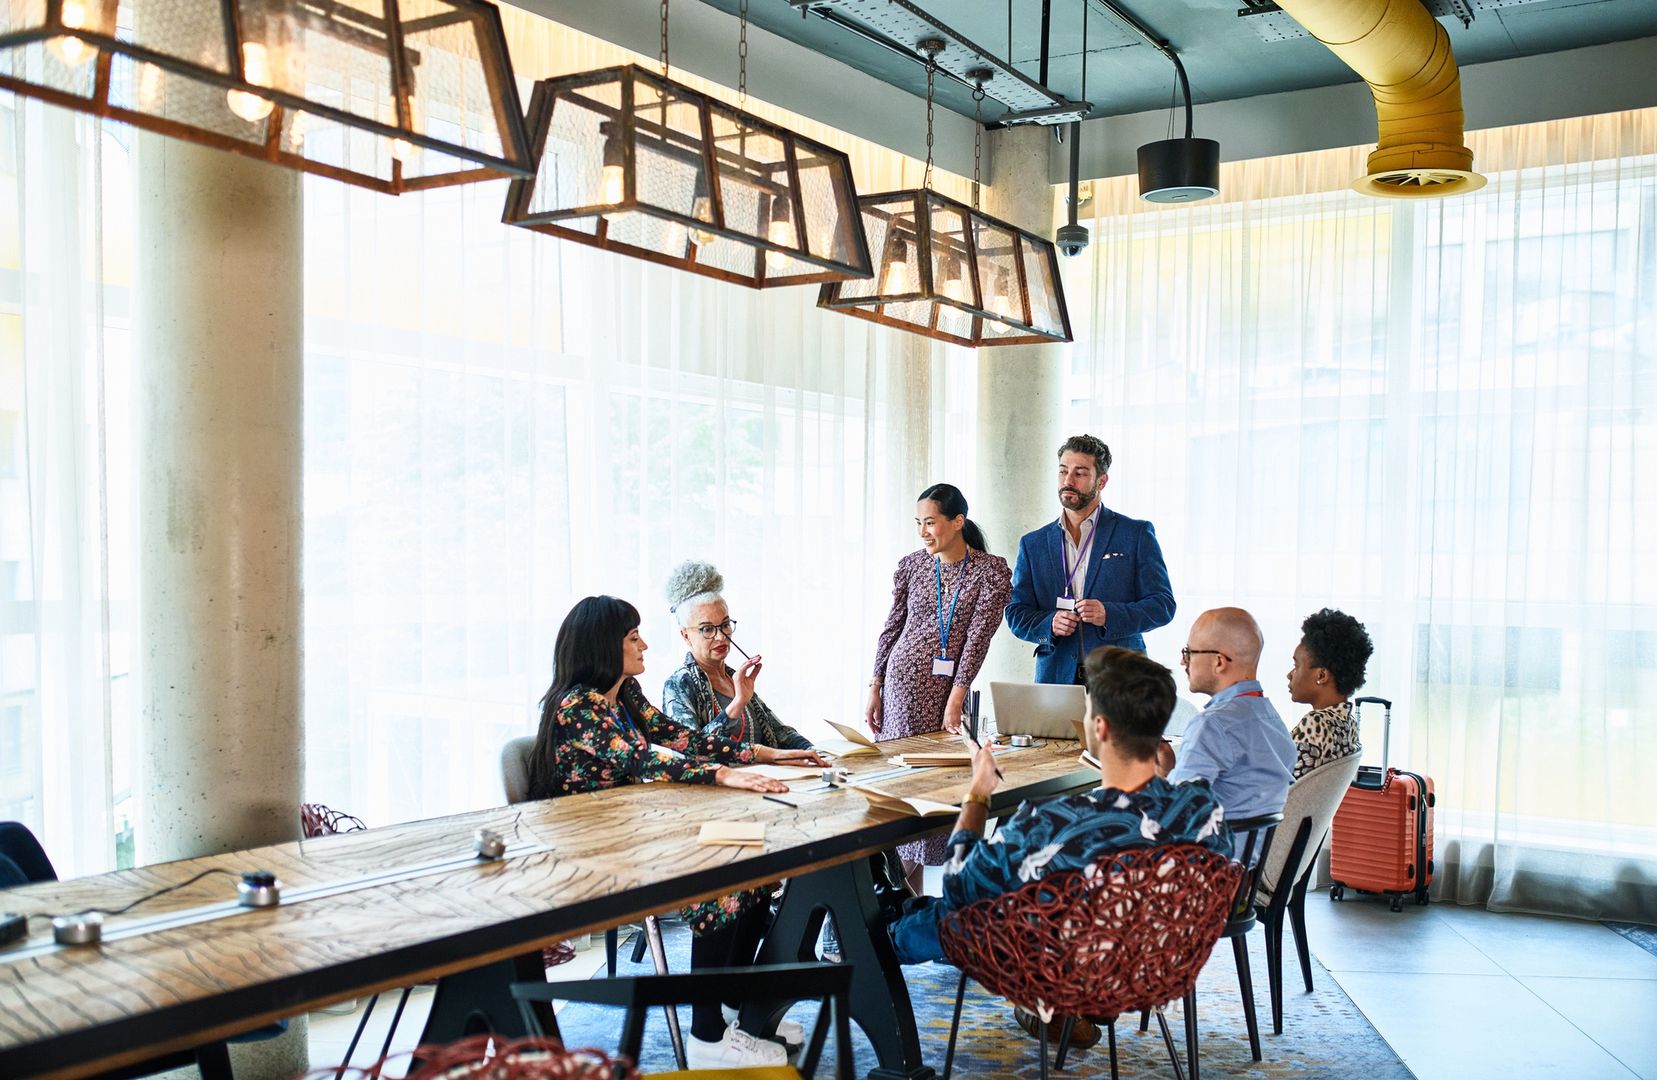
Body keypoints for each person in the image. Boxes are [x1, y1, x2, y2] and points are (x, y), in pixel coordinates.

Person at [527, 595, 817, 1069]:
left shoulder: (625, 694)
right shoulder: (576, 706)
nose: (644, 644)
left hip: (631, 829)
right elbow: (640, 757)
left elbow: (683, 739)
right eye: (632, 636)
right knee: (720, 883)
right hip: (590, 849)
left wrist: (764, 754)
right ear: (604, 646)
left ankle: (730, 1008)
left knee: (758, 865)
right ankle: (706, 1037)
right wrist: (722, 775)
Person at [887, 646, 1232, 1043]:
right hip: (1147, 968)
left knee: (942, 919)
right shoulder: (1204, 810)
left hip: (1055, 970)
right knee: (948, 908)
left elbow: (959, 884)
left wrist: (978, 792)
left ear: (1099, 728)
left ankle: (877, 939)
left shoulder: (1053, 821)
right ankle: (899, 909)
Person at [866, 484, 1012, 882]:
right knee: (898, 791)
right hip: (898, 692)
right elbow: (892, 626)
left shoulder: (990, 571)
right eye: (918, 523)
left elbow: (979, 637)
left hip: (944, 696)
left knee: (931, 794)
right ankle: (891, 904)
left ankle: (902, 909)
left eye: (930, 522)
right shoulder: (912, 565)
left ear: (957, 522)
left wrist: (958, 692)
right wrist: (875, 683)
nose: (923, 531)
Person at [1005, 434, 1175, 684]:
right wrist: (1049, 624)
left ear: (1102, 481)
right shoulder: (1033, 544)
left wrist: (1109, 613)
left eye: (1080, 473)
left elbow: (1162, 606)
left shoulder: (1135, 534)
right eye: (1063, 471)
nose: (1068, 481)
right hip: (1056, 678)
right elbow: (1017, 613)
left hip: (1121, 679)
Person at [662, 560, 822, 756]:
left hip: (762, 780)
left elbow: (780, 733)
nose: (721, 636)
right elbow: (690, 752)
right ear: (685, 635)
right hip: (718, 785)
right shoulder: (679, 684)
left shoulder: (733, 677)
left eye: (725, 625)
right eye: (707, 629)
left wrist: (814, 752)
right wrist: (737, 703)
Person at [1167, 608, 1296, 830]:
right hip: (1251, 861)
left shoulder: (1212, 725)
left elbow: (1173, 815)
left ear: (1219, 662)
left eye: (1189, 652)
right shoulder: (1272, 719)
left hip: (1205, 861)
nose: (1182, 661)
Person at [1286, 608, 1372, 779]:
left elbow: (1279, 788)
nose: (1289, 674)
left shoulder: (1317, 724)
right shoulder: (1348, 723)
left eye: (1296, 666)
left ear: (1322, 675)